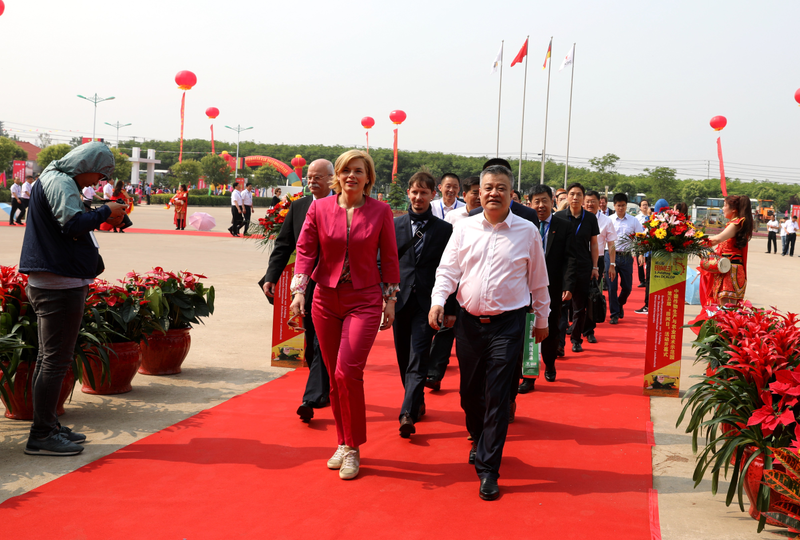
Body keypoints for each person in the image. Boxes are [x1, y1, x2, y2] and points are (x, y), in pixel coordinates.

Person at [429, 164, 550, 501]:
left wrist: (542, 319)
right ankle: (478, 437)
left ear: (511, 194)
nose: (494, 193)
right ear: (478, 193)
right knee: (469, 394)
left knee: (497, 395)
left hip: (508, 325)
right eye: (488, 188)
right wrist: (438, 301)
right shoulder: (463, 228)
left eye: (501, 188)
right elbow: (447, 270)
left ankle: (488, 469)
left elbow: (539, 282)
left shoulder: (527, 232)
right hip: (468, 323)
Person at [290, 149, 399, 481]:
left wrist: (390, 299)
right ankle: (343, 442)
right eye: (346, 170)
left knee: (347, 372)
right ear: (337, 175)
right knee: (334, 376)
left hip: (364, 299)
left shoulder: (380, 211)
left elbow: (389, 256)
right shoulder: (319, 208)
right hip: (325, 298)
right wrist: (299, 291)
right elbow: (306, 249)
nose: (352, 175)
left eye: (358, 170)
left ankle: (352, 447)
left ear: (368, 178)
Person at [18, 142, 128, 456]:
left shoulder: (55, 177)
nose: (98, 181)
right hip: (59, 284)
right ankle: (42, 435)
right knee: (55, 362)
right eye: (99, 175)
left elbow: (68, 222)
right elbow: (71, 224)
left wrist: (100, 212)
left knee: (48, 360)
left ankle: (48, 425)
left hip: (54, 280)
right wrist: (105, 212)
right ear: (86, 165)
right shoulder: (61, 181)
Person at [262, 159, 334, 423]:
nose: (312, 181)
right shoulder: (299, 206)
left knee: (321, 339)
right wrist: (272, 276)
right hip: (304, 283)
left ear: (331, 179)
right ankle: (323, 387)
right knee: (312, 339)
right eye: (309, 177)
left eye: (318, 177)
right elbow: (284, 244)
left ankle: (312, 397)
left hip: (333, 283)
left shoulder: (343, 206)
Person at [391, 171, 456, 438]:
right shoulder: (394, 225)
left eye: (424, 193)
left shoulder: (444, 230)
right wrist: (385, 298)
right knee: (403, 358)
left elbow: (452, 270)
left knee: (418, 356)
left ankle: (407, 413)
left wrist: (450, 308)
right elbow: (384, 262)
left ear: (433, 195)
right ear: (408, 192)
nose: (418, 197)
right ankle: (416, 401)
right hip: (399, 300)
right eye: (415, 192)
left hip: (428, 303)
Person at [518, 184, 576, 393]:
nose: (541, 205)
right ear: (529, 203)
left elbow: (570, 258)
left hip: (552, 287)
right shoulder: (522, 226)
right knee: (527, 330)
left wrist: (568, 285)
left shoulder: (564, 226)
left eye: (545, 200)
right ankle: (528, 376)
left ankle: (550, 363)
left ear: (552, 202)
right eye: (536, 201)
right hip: (523, 287)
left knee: (550, 329)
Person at [555, 183, 600, 353]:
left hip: (583, 266)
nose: (575, 197)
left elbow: (594, 244)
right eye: (572, 194)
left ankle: (576, 339)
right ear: (567, 197)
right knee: (561, 306)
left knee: (580, 307)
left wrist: (595, 267)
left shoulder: (590, 218)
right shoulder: (558, 217)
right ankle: (559, 343)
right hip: (562, 268)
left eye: (578, 194)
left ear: (583, 198)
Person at [700, 195, 753, 306]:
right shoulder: (734, 224)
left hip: (731, 271)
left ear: (733, 209)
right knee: (725, 309)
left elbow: (717, 239)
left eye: (724, 205)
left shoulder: (736, 224)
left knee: (727, 309)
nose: (723, 209)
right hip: (727, 268)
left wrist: (695, 243)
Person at [580, 190, 616, 343]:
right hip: (579, 259)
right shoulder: (577, 218)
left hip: (597, 261)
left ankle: (589, 330)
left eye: (593, 201)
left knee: (592, 295)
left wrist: (612, 264)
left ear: (599, 203)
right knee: (577, 295)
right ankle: (576, 326)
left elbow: (611, 244)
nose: (590, 204)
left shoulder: (606, 221)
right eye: (587, 201)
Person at [606, 193, 643, 324]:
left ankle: (620, 303)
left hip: (626, 256)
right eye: (618, 205)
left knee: (627, 287)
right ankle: (614, 314)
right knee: (612, 287)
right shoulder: (609, 220)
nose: (620, 208)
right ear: (614, 206)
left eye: (623, 205)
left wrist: (641, 253)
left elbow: (640, 237)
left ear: (626, 206)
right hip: (611, 255)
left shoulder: (633, 221)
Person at [635, 199, 669, 314]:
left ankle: (648, 305)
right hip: (666, 257)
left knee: (650, 281)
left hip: (652, 256)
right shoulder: (671, 222)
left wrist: (641, 253)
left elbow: (645, 237)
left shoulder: (652, 221)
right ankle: (661, 305)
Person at [636, 199, 651, 287]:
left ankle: (649, 279)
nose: (645, 206)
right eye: (643, 205)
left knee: (648, 261)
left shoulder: (651, 217)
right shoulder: (637, 218)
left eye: (646, 205)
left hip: (649, 242)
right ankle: (642, 280)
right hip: (640, 242)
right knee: (640, 261)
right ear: (640, 207)